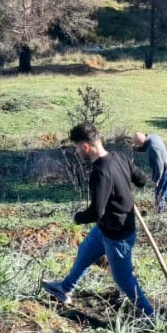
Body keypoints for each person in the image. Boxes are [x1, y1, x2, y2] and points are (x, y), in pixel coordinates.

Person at [41, 123, 155, 318]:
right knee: (85, 251)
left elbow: (96, 212)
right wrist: (123, 188)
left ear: (86, 147)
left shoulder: (100, 172)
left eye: (77, 147)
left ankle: (151, 316)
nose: (76, 152)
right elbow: (142, 180)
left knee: (124, 279)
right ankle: (65, 288)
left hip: (118, 236)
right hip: (105, 229)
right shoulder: (120, 158)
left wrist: (77, 217)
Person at [133, 130, 167, 213]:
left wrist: (156, 180)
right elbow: (145, 146)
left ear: (141, 142)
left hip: (165, 170)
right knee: (163, 188)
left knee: (158, 192)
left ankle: (160, 213)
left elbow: (160, 166)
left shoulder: (153, 148)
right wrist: (137, 149)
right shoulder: (152, 136)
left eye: (137, 144)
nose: (136, 145)